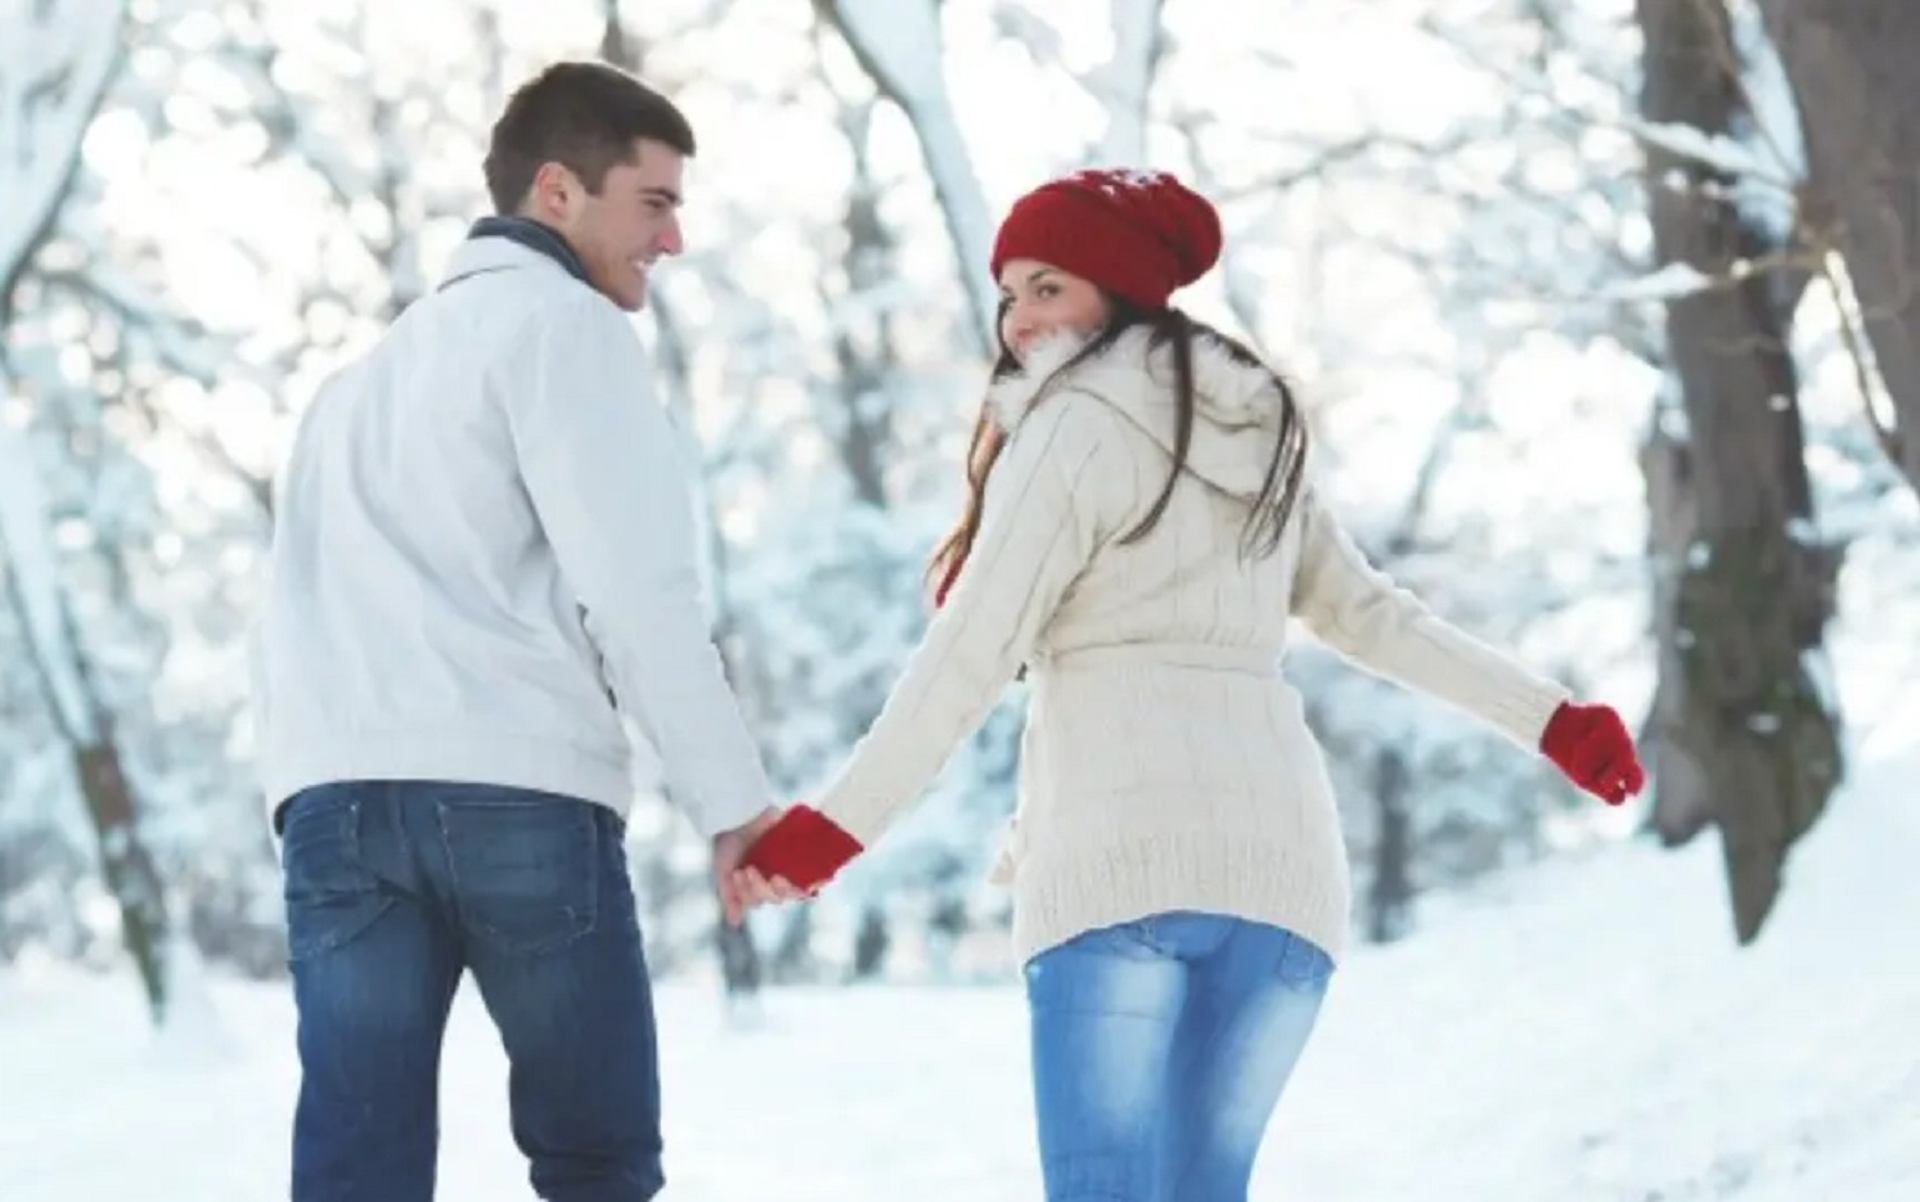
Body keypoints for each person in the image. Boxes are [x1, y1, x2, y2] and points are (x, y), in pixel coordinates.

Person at [734, 167, 1645, 1202]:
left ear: (1117, 289)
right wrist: (1555, 719)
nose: (1020, 320)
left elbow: (969, 653)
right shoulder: (1263, 439)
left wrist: (832, 829)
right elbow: (1372, 614)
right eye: (1010, 293)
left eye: (1049, 287)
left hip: (1120, 868)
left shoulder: (1073, 425)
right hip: (1281, 882)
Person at [252, 62, 777, 1202]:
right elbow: (638, 593)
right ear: (557, 192)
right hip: (514, 795)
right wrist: (733, 802)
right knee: (594, 1159)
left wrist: (301, 798)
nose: (674, 238)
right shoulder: (563, 329)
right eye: (655, 202)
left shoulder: (352, 385)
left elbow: (286, 609)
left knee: (355, 1168)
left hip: (336, 802)